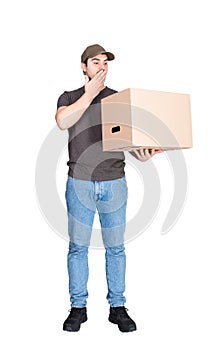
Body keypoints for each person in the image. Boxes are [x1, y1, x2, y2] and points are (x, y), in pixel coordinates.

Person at [55, 44, 162, 333]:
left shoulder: (117, 99)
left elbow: (127, 143)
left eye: (105, 63)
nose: (101, 67)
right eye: (95, 62)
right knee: (78, 248)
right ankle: (78, 308)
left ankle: (117, 307)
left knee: (115, 249)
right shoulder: (69, 97)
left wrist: (144, 153)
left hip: (114, 181)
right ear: (83, 66)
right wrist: (89, 94)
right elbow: (62, 121)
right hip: (79, 182)